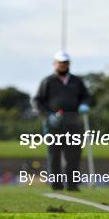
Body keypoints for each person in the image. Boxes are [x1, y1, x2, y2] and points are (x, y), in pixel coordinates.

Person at [33, 51, 91, 191]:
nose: (63, 65)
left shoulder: (76, 81)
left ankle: (72, 184)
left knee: (74, 154)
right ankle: (56, 184)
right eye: (60, 63)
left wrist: (84, 104)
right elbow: (38, 101)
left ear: (68, 64)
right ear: (55, 64)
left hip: (73, 122)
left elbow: (86, 96)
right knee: (54, 155)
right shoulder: (48, 81)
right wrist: (47, 116)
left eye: (65, 63)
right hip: (54, 124)